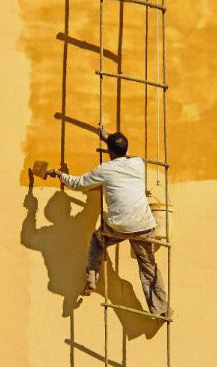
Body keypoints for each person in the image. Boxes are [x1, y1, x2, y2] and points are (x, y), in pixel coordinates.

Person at [46, 129, 168, 318]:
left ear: (109, 151)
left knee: (97, 241)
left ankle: (92, 277)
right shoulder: (138, 163)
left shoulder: (104, 170)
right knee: (148, 267)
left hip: (118, 226)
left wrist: (60, 175)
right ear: (125, 149)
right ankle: (160, 309)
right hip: (143, 224)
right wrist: (108, 139)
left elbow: (78, 183)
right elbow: (123, 154)